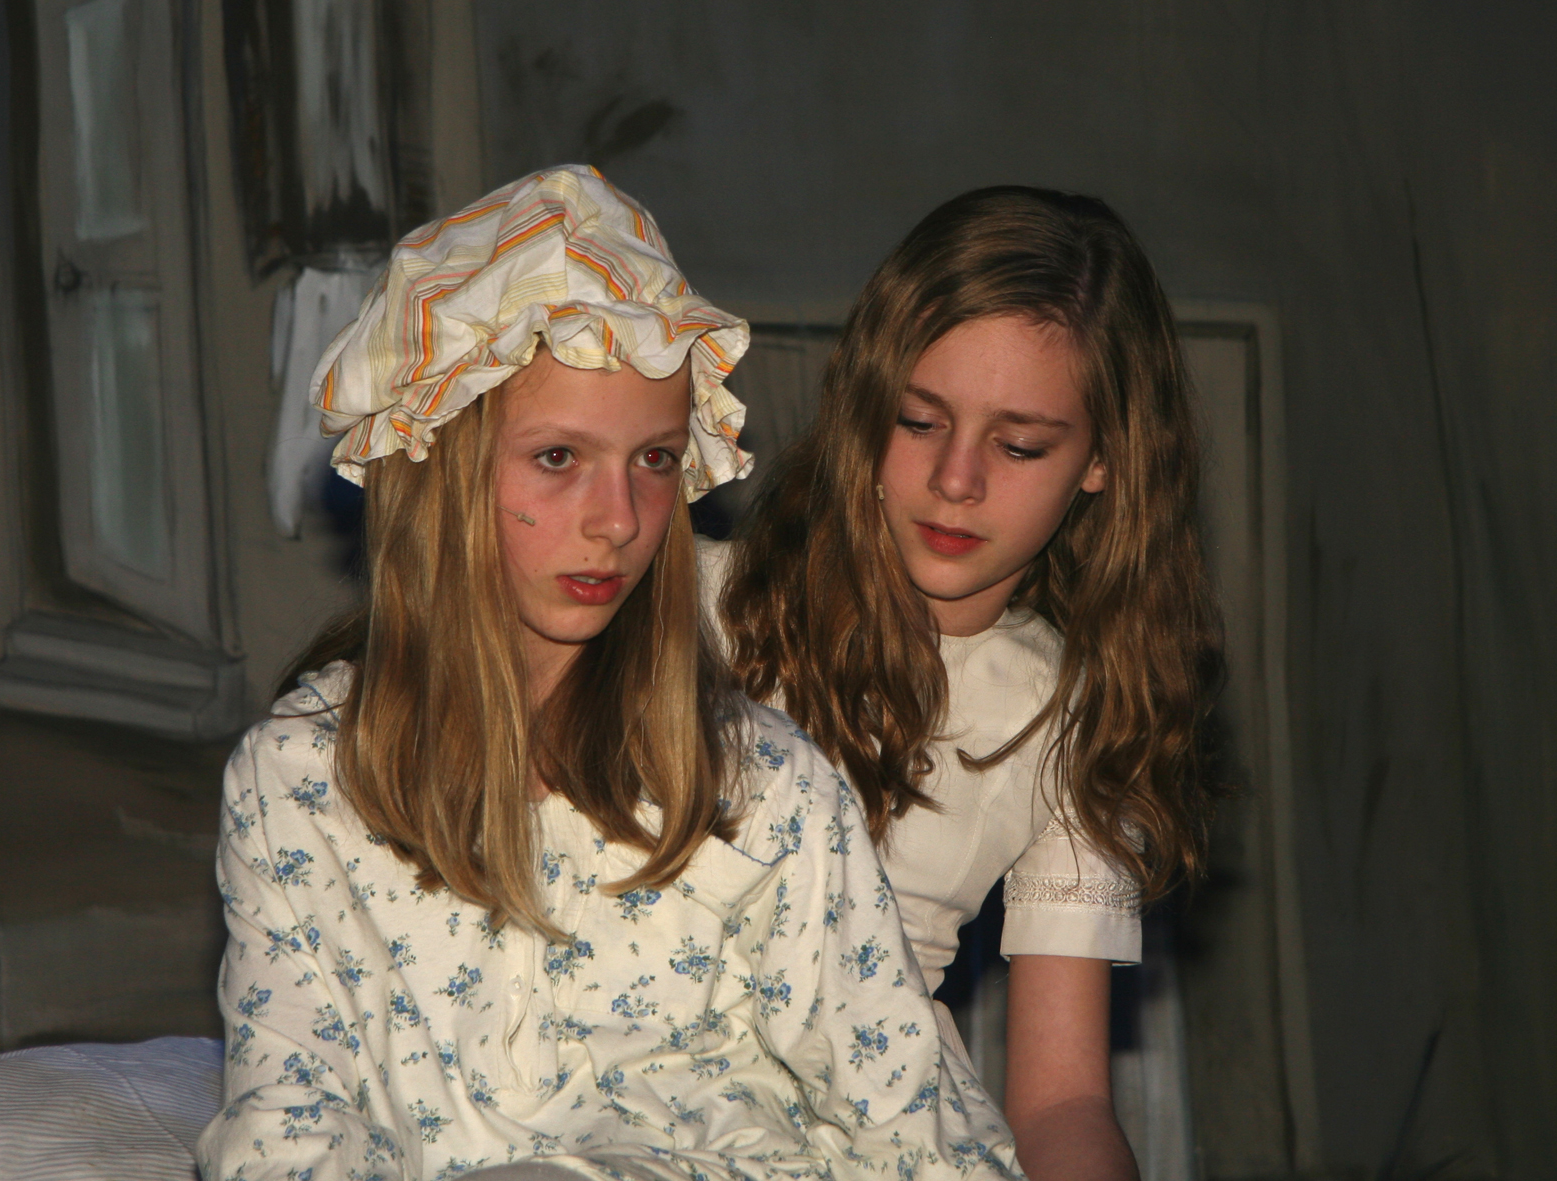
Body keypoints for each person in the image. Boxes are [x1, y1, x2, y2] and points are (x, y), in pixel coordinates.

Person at [195, 167, 1022, 1181]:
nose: (618, 520)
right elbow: (289, 1128)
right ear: (439, 468)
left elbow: (919, 1132)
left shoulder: (761, 787)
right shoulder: (298, 782)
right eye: (557, 458)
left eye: (654, 460)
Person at [709, 187, 1220, 1181]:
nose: (955, 479)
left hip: (876, 1139)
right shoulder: (689, 609)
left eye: (1018, 445)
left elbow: (1062, 1098)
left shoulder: (1073, 715)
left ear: (1103, 459)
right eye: (917, 421)